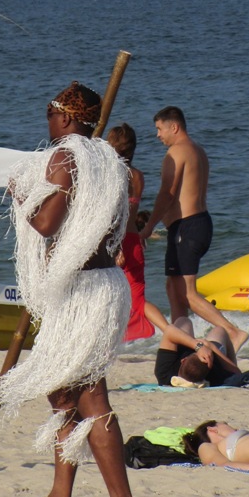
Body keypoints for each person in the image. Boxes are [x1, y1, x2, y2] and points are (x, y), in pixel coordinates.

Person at [0, 81, 142, 497]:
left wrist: (21, 194)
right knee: (64, 395)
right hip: (102, 285)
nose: (49, 125)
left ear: (69, 119)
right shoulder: (112, 163)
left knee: (91, 396)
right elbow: (117, 224)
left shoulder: (67, 156)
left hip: (82, 292)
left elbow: (46, 224)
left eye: (52, 116)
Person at [139, 105, 247, 352]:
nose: (157, 135)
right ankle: (182, 341)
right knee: (173, 288)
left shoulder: (176, 153)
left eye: (159, 129)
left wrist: (147, 227)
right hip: (196, 224)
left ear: (173, 127)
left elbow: (167, 195)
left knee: (187, 293)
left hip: (188, 228)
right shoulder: (197, 150)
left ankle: (233, 332)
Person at [106, 123, 169, 340]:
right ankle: (168, 330)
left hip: (117, 243)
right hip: (133, 242)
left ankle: (109, 339)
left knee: (108, 297)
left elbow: (114, 216)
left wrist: (114, 248)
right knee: (139, 300)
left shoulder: (111, 176)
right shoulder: (138, 176)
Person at [154, 317, 241, 387]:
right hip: (212, 351)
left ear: (183, 360)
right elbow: (237, 373)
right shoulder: (214, 376)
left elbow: (169, 330)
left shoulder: (164, 374)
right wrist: (211, 347)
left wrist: (198, 346)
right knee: (220, 330)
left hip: (185, 349)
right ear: (209, 366)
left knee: (184, 320)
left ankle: (189, 340)